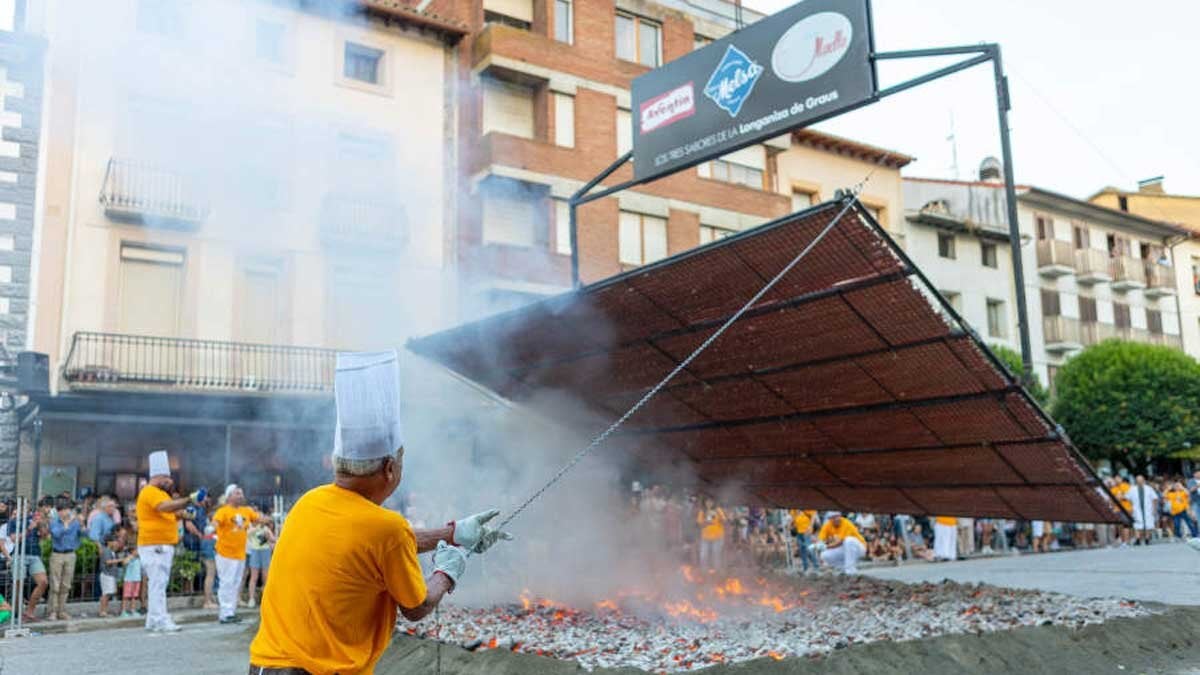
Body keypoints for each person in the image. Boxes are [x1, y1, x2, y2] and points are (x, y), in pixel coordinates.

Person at [249, 350, 513, 675]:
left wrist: (453, 533)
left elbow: (374, 546)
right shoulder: (386, 527)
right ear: (390, 468)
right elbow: (416, 607)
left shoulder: (310, 503)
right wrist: (446, 573)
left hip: (266, 666)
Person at [135, 450, 206, 632]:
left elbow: (171, 513)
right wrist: (188, 499)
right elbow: (165, 507)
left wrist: (186, 512)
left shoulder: (160, 493)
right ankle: (160, 619)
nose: (171, 481)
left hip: (160, 544)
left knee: (158, 583)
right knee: (158, 583)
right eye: (168, 477)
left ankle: (153, 619)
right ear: (159, 477)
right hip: (155, 544)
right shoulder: (150, 491)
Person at [211, 484, 268, 624]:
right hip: (225, 553)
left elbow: (259, 519)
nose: (241, 495)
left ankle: (231, 612)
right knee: (226, 582)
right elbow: (215, 523)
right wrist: (212, 528)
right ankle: (225, 614)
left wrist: (271, 518)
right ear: (229, 496)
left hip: (240, 553)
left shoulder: (246, 511)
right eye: (237, 493)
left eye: (241, 493)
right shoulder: (223, 511)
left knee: (235, 583)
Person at [48, 499, 84, 620]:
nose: (67, 512)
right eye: (64, 510)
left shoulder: (75, 522)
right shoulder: (54, 522)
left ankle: (62, 610)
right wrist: (66, 525)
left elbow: (83, 534)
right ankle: (52, 611)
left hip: (70, 554)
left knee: (66, 584)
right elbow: (56, 534)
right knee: (55, 584)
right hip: (57, 554)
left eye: (68, 509)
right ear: (59, 511)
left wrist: (82, 525)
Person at [181, 494, 216, 609]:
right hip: (192, 541)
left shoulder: (202, 509)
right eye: (205, 497)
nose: (207, 499)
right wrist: (199, 534)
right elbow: (188, 524)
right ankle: (188, 590)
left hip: (201, 542)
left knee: (199, 568)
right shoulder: (191, 508)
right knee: (190, 567)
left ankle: (195, 591)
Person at [244, 517, 275, 609]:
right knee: (254, 576)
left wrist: (268, 537)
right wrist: (257, 528)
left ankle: (265, 599)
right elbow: (247, 535)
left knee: (265, 577)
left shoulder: (266, 529)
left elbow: (273, 539)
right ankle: (251, 599)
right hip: (255, 552)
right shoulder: (253, 529)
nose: (262, 522)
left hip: (265, 552)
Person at [98, 534, 129, 617]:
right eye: (114, 541)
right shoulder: (106, 550)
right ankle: (102, 611)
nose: (115, 543)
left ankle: (105, 610)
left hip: (110, 574)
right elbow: (108, 562)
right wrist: (120, 560)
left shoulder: (111, 551)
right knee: (106, 594)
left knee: (108, 593)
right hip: (106, 574)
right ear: (109, 542)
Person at [696, 499, 727, 571]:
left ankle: (717, 571)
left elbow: (724, 521)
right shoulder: (702, 511)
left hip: (717, 537)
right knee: (703, 555)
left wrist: (720, 518)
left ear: (713, 502)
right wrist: (706, 522)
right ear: (705, 502)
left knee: (716, 555)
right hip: (705, 537)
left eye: (711, 501)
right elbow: (699, 524)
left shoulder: (718, 510)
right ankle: (704, 571)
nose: (709, 503)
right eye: (707, 501)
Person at [1130, 475, 1159, 546]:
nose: (1139, 482)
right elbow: (1127, 498)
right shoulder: (1132, 489)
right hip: (1137, 509)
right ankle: (1138, 539)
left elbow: (1155, 498)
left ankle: (1147, 538)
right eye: (1137, 480)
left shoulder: (1149, 488)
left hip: (1148, 509)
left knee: (1148, 524)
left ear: (1143, 480)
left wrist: (1154, 509)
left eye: (1140, 480)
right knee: (1137, 524)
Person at [790, 508, 818, 573]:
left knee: (809, 548)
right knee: (802, 549)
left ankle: (816, 566)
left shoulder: (806, 506)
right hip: (798, 531)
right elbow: (793, 519)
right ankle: (805, 567)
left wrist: (810, 526)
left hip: (806, 531)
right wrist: (791, 524)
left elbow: (813, 516)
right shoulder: (793, 509)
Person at [121, 547, 143, 617]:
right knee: (126, 596)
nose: (138, 552)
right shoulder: (129, 557)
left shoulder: (139, 559)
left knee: (134, 596)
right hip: (129, 580)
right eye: (137, 550)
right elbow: (124, 562)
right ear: (132, 551)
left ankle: (132, 610)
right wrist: (130, 557)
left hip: (137, 579)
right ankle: (123, 611)